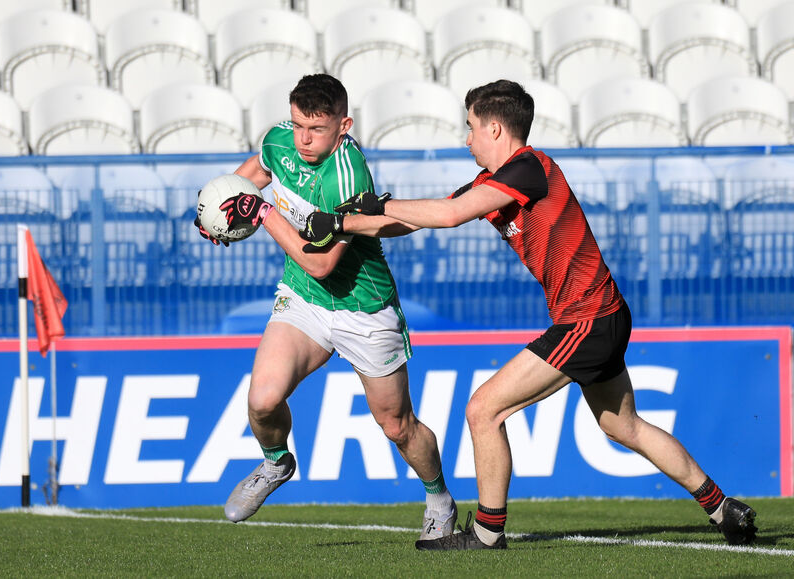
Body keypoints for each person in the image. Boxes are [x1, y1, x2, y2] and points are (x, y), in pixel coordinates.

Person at [299, 79, 758, 550]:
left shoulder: (528, 169)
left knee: (484, 409)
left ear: (495, 129)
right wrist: (353, 222)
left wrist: (360, 213)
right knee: (623, 425)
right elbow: (417, 219)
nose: (467, 139)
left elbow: (450, 214)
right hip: (602, 314)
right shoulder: (495, 182)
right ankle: (723, 507)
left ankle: (487, 533)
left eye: (471, 128)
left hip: (587, 320)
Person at [194, 73, 457, 540]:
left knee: (397, 426)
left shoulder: (348, 176)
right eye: (298, 125)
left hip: (363, 307)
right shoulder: (280, 140)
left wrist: (262, 213)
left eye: (316, 129)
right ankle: (276, 463)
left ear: (343, 126)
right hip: (304, 300)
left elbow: (321, 264)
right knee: (262, 400)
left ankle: (439, 499)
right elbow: (251, 174)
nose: (304, 139)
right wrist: (220, 211)